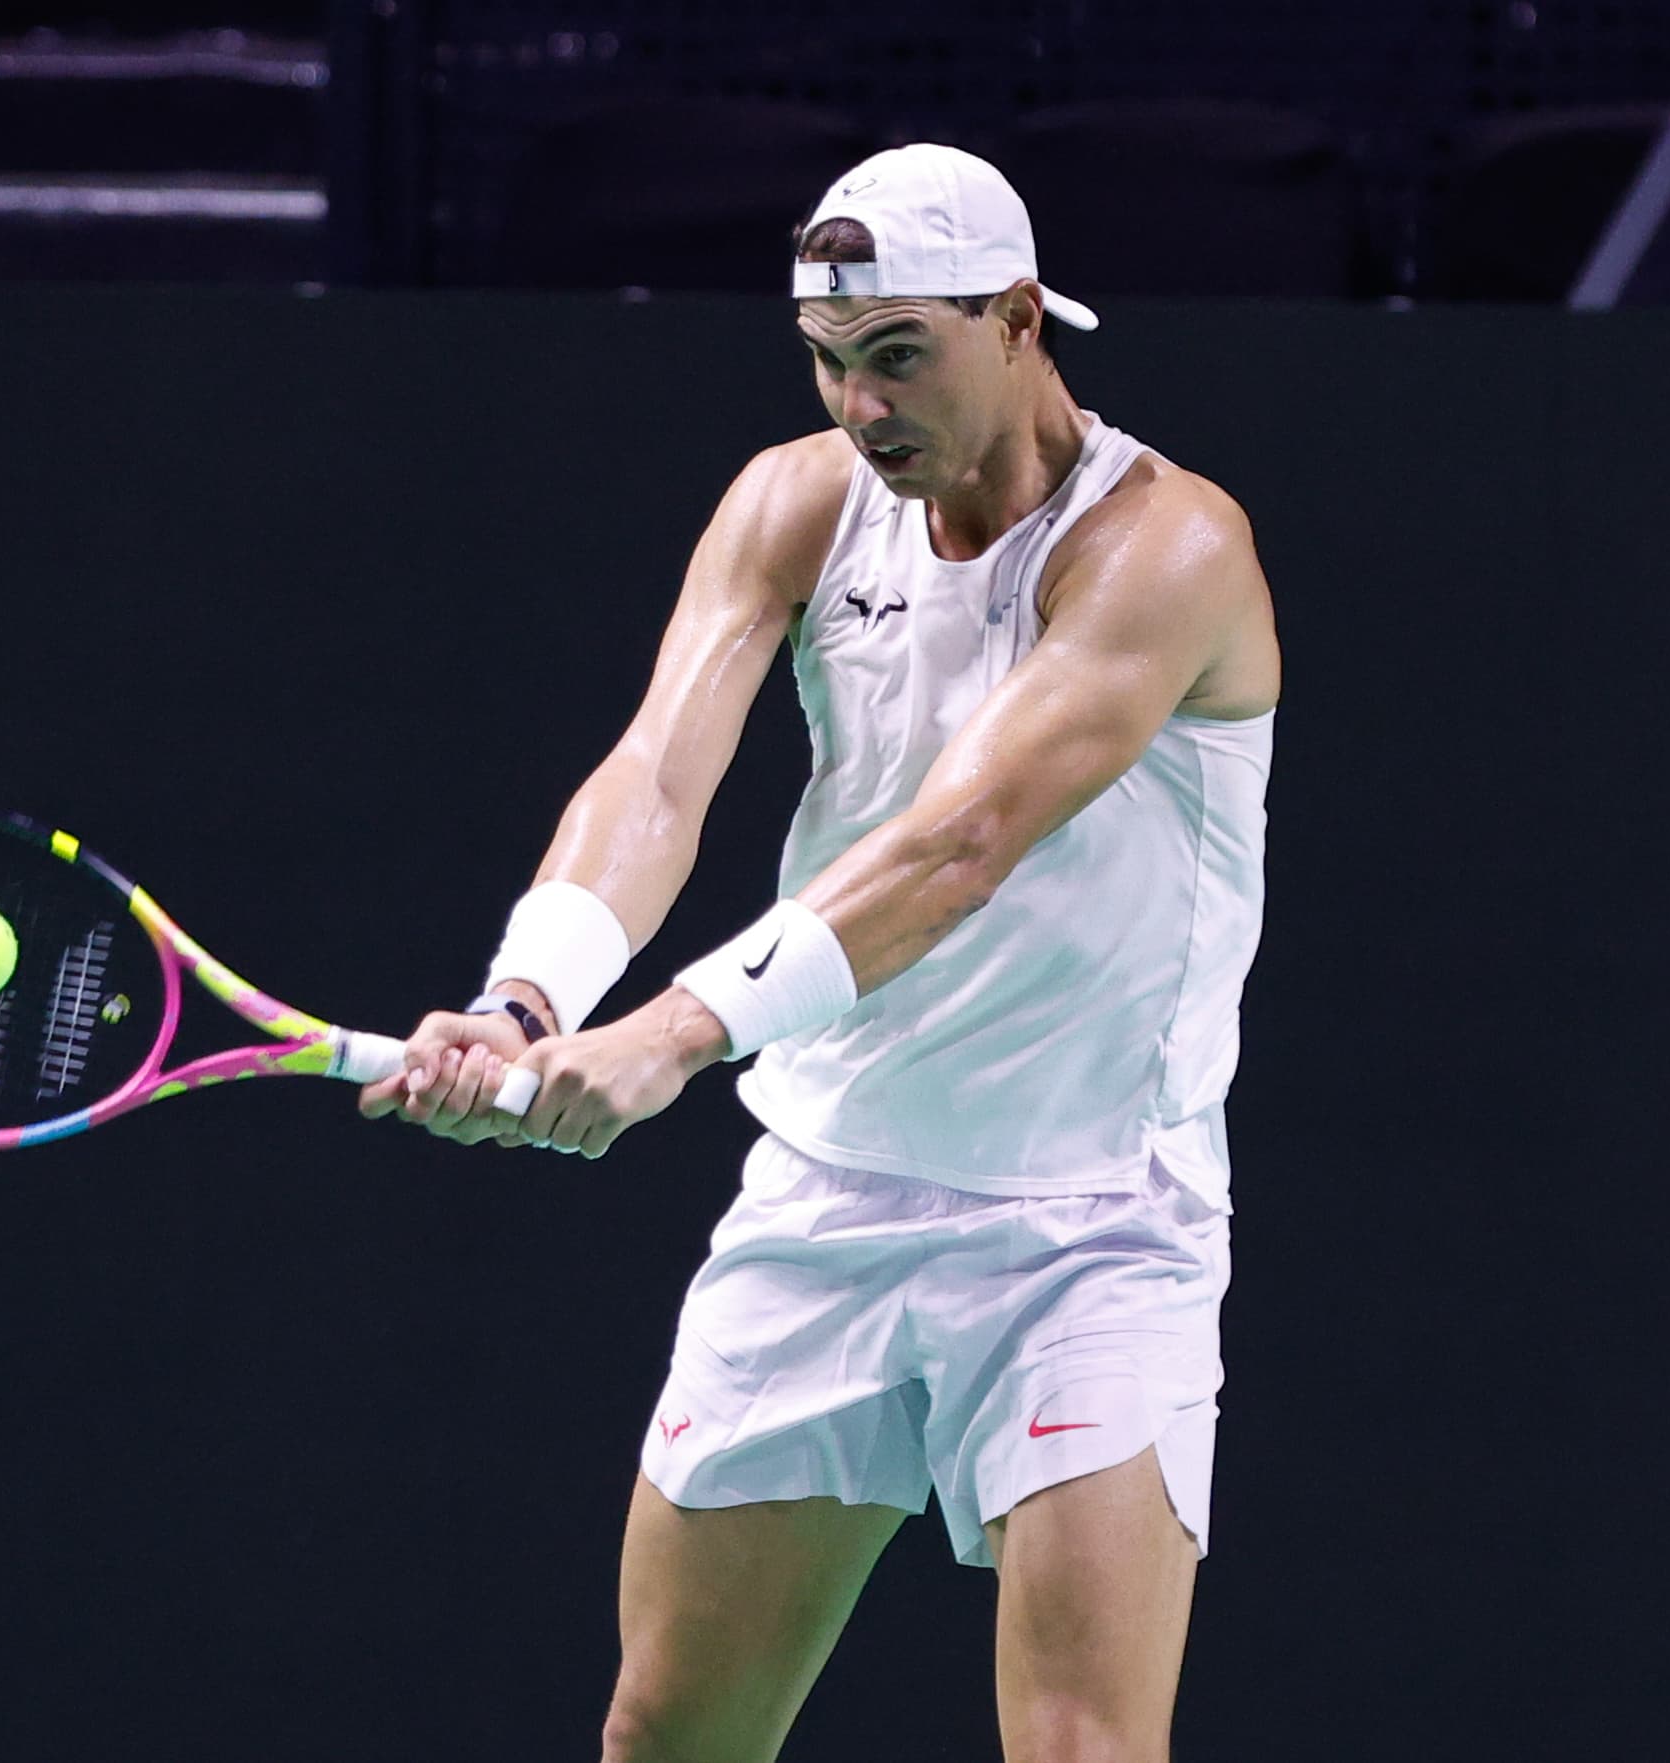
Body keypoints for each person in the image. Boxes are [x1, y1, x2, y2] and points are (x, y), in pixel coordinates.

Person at [358, 143, 1280, 1763]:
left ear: (1016, 320)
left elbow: (959, 843)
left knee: (1082, 1750)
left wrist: (669, 1036)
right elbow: (658, 770)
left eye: (900, 354)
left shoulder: (1171, 547)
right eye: (830, 361)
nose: (861, 405)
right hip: (828, 1199)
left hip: (1094, 1227)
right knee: (672, 1736)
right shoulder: (795, 500)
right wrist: (530, 995)